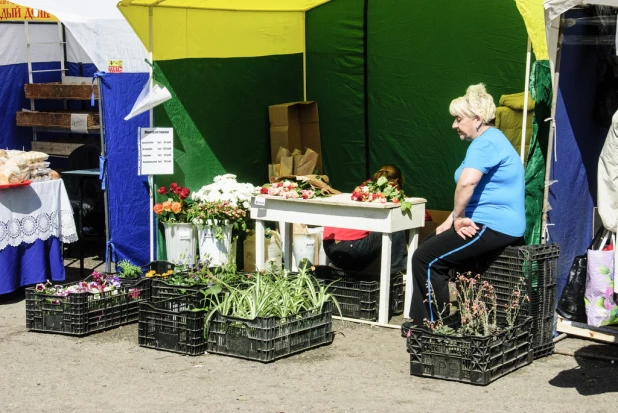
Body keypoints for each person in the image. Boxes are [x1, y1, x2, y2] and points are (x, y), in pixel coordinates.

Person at [408, 83, 525, 324]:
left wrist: (459, 219)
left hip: (493, 224)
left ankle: (429, 326)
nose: (454, 125)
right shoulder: (491, 140)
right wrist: (451, 220)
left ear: (478, 119)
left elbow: (467, 184)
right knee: (430, 247)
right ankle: (454, 319)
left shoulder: (485, 143)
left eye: (458, 119)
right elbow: (478, 190)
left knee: (426, 259)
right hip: (488, 220)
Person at [322, 164, 408, 274]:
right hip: (350, 249)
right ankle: (396, 275)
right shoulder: (387, 196)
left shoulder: (359, 192)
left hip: (329, 248)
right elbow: (423, 215)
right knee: (395, 225)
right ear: (396, 181)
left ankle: (343, 269)